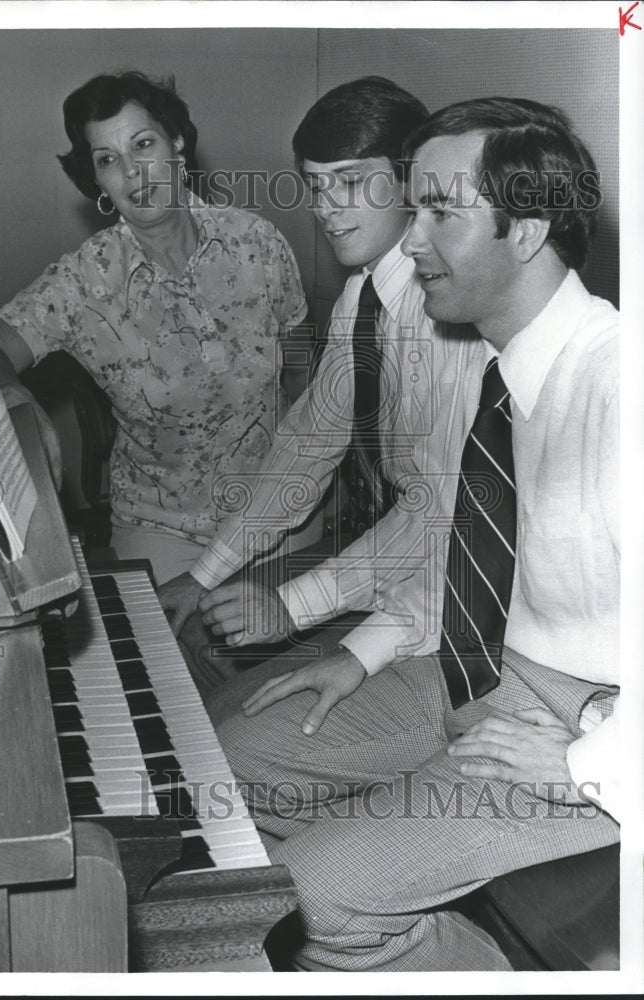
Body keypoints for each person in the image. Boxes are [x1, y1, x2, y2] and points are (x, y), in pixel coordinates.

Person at [210, 97, 620, 972]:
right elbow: (469, 538)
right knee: (235, 765)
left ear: (527, 228)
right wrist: (362, 651)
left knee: (306, 903)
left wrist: (601, 758)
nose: (413, 239)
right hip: (487, 672)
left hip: (573, 728)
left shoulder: (618, 385)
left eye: (439, 212)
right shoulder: (512, 374)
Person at [160, 76, 485, 692]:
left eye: (353, 181)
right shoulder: (363, 297)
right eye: (315, 185)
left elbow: (437, 516)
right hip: (385, 545)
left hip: (453, 583)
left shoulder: (449, 316)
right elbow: (308, 447)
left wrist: (291, 605)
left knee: (236, 709)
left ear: (412, 180)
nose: (325, 206)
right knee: (194, 636)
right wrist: (206, 572)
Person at [0, 70, 309, 584]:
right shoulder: (82, 281)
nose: (134, 172)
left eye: (143, 144)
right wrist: (13, 395)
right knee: (169, 662)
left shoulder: (258, 242)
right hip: (165, 532)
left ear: (177, 144)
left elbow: (300, 371)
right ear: (98, 183)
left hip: (281, 512)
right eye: (108, 160)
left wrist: (315, 478)